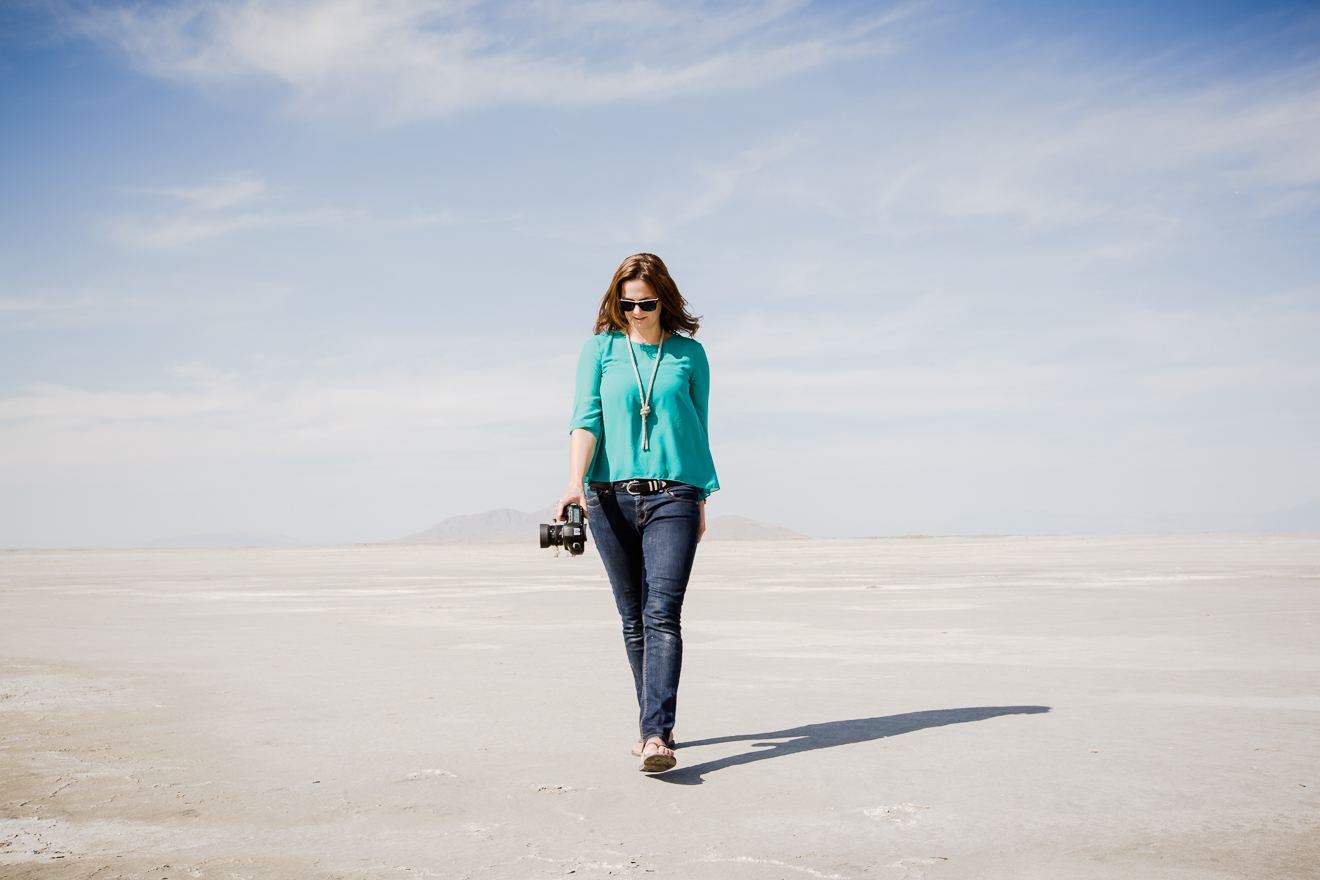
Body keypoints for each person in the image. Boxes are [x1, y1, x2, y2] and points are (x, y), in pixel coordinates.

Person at [555, 253, 719, 774]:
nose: (637, 313)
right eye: (627, 305)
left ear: (662, 300)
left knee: (662, 614)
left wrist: (701, 499)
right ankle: (650, 723)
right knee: (633, 621)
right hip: (608, 497)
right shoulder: (599, 350)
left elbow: (698, 427)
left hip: (675, 495)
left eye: (646, 303)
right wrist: (575, 486)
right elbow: (586, 419)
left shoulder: (689, 355)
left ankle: (655, 736)